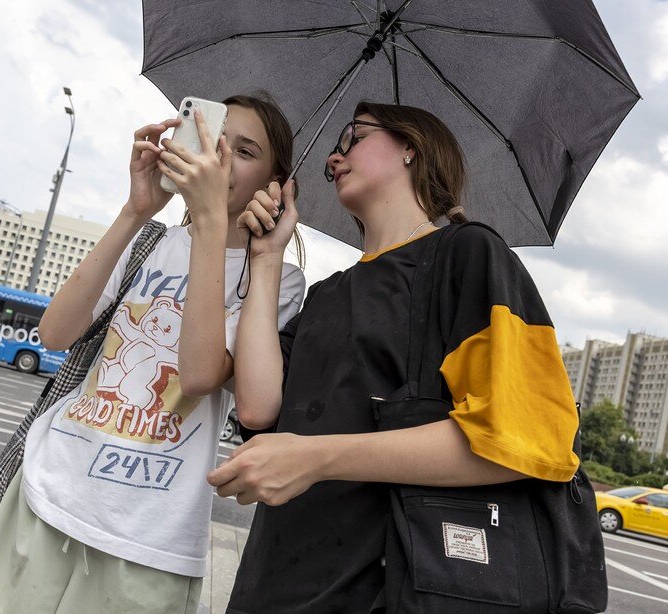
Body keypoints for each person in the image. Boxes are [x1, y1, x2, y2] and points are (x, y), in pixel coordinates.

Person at [209, 102, 580, 613]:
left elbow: (525, 436)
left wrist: (316, 458)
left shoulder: (469, 254)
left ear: (411, 146)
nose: (335, 159)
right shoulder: (325, 294)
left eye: (352, 137)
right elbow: (257, 408)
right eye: (333, 152)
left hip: (389, 590)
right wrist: (267, 257)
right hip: (276, 582)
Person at [0, 93, 305, 614]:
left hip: (148, 529)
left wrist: (212, 224)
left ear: (277, 183)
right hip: (50, 485)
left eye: (245, 151)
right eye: (215, 139)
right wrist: (135, 209)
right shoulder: (152, 241)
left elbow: (200, 373)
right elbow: (54, 332)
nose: (220, 158)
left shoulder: (275, 279)